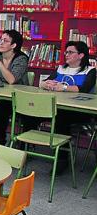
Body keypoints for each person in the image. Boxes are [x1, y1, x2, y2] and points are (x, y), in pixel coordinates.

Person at [27, 41, 96, 173]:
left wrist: (63, 87)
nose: (66, 54)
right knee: (30, 113)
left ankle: (61, 159)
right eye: (66, 52)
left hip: (78, 110)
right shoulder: (60, 68)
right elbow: (43, 82)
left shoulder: (90, 71)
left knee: (60, 119)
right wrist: (46, 85)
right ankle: (25, 148)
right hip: (57, 106)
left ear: (81, 55)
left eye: (70, 52)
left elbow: (85, 89)